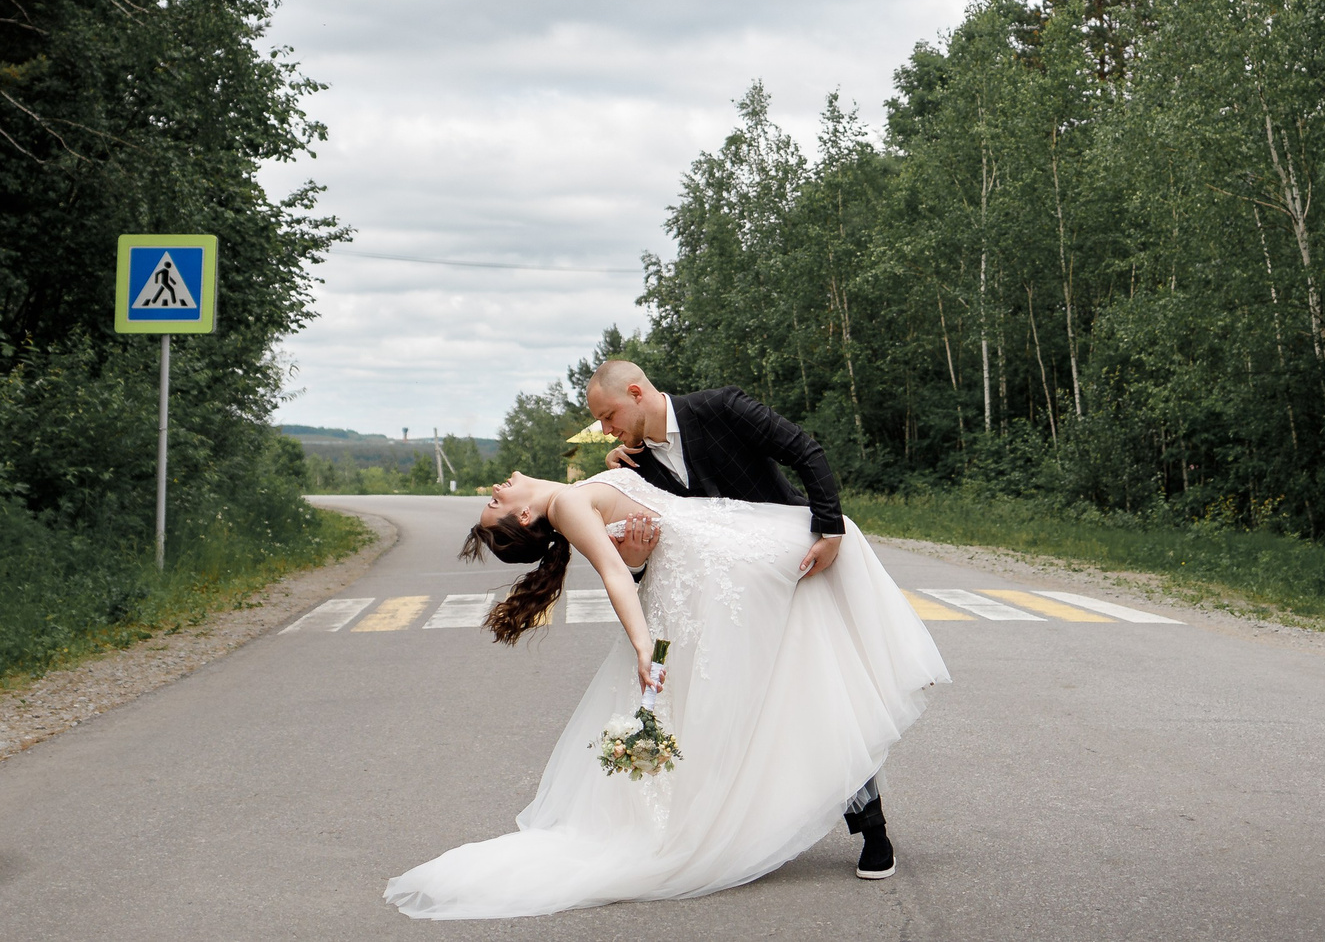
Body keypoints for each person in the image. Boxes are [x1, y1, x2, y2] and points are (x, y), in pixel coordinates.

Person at [381, 443, 948, 919]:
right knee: (820, 605)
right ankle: (840, 817)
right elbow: (613, 575)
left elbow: (642, 532)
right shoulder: (569, 503)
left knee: (800, 675)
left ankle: (847, 815)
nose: (495, 491)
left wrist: (626, 470)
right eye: (496, 505)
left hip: (710, 579)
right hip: (719, 585)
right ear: (526, 518)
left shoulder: (580, 491)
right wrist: (642, 644)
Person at [585, 361, 904, 874]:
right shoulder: (635, 469)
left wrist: (830, 529)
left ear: (637, 392)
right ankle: (742, 834)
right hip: (725, 610)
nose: (606, 429)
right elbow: (661, 559)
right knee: (740, 716)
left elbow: (805, 451)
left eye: (608, 414)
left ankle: (874, 831)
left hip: (792, 576)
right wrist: (637, 557)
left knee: (821, 698)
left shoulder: (720, 407)